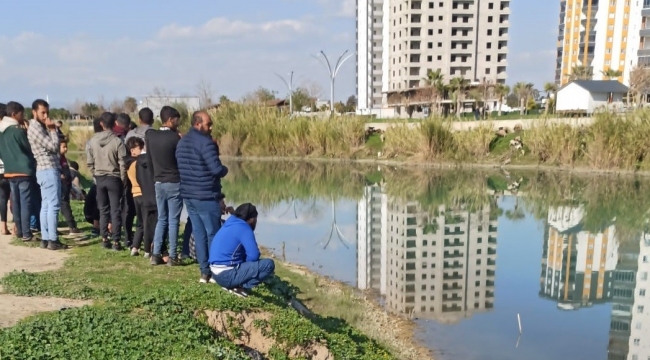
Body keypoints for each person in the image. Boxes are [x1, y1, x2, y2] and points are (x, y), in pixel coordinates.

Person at [176, 110, 229, 281]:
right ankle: (215, 270)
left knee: (199, 233)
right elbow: (216, 169)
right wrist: (224, 169)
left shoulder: (182, 142)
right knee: (213, 233)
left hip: (189, 195)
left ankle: (204, 271)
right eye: (208, 124)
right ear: (198, 124)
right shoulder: (206, 143)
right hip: (206, 195)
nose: (211, 127)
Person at [208, 203, 275, 297]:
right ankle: (239, 287)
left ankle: (234, 283)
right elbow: (254, 256)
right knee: (268, 265)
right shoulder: (245, 228)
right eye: (256, 219)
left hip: (214, 272)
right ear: (252, 219)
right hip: (226, 276)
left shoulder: (231, 221)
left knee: (242, 252)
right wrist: (247, 265)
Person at [27, 99, 67, 250]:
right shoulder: (36, 128)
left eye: (47, 113)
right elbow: (53, 147)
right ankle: (52, 239)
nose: (45, 116)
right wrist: (52, 130)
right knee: (54, 206)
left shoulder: (37, 127)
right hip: (48, 169)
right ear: (34, 112)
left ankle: (45, 237)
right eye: (43, 112)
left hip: (44, 170)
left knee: (46, 205)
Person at [146, 106, 182, 266]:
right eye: (177, 120)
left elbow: (149, 160)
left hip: (158, 182)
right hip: (174, 181)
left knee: (162, 218)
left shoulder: (152, 136)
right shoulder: (175, 138)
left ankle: (155, 254)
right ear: (170, 120)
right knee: (173, 220)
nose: (178, 123)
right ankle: (173, 256)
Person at [87, 112, 127, 250]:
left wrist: (95, 174)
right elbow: (122, 162)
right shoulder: (117, 141)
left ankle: (104, 238)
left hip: (100, 178)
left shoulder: (92, 141)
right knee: (115, 210)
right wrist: (122, 179)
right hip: (114, 177)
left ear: (101, 124)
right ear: (115, 123)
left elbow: (89, 162)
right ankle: (116, 241)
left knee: (102, 209)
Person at [0, 102, 38, 244]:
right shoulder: (18, 130)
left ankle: (20, 231)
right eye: (22, 113)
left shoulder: (1, 132)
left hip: (9, 171)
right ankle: (27, 233)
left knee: (15, 202)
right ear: (14, 114)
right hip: (23, 171)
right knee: (25, 202)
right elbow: (29, 148)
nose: (23, 116)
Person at [58, 138, 80, 235]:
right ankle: (72, 227)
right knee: (64, 205)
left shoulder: (63, 158)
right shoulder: (57, 158)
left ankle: (72, 226)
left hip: (67, 185)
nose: (66, 149)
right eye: (64, 147)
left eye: (66, 147)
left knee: (66, 205)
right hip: (62, 185)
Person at [0, 103, 10, 235]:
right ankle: (15, 225)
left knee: (2, 197)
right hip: (6, 167)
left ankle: (3, 226)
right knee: (7, 196)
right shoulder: (7, 130)